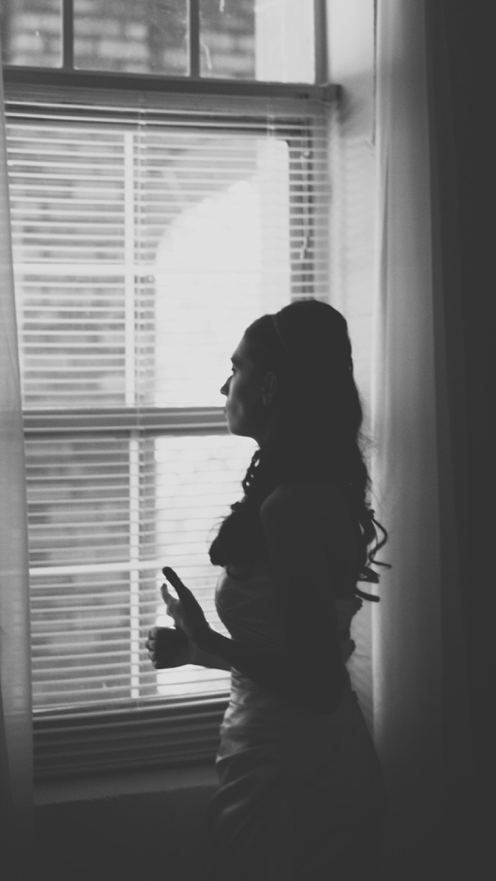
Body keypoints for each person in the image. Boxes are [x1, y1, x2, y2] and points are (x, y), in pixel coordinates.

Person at [146, 300, 387, 880]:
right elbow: (296, 652)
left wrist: (211, 638)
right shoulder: (297, 492)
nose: (226, 384)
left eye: (237, 368)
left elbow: (316, 683)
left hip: (295, 765)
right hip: (288, 748)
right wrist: (198, 652)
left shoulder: (292, 505)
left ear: (271, 385)